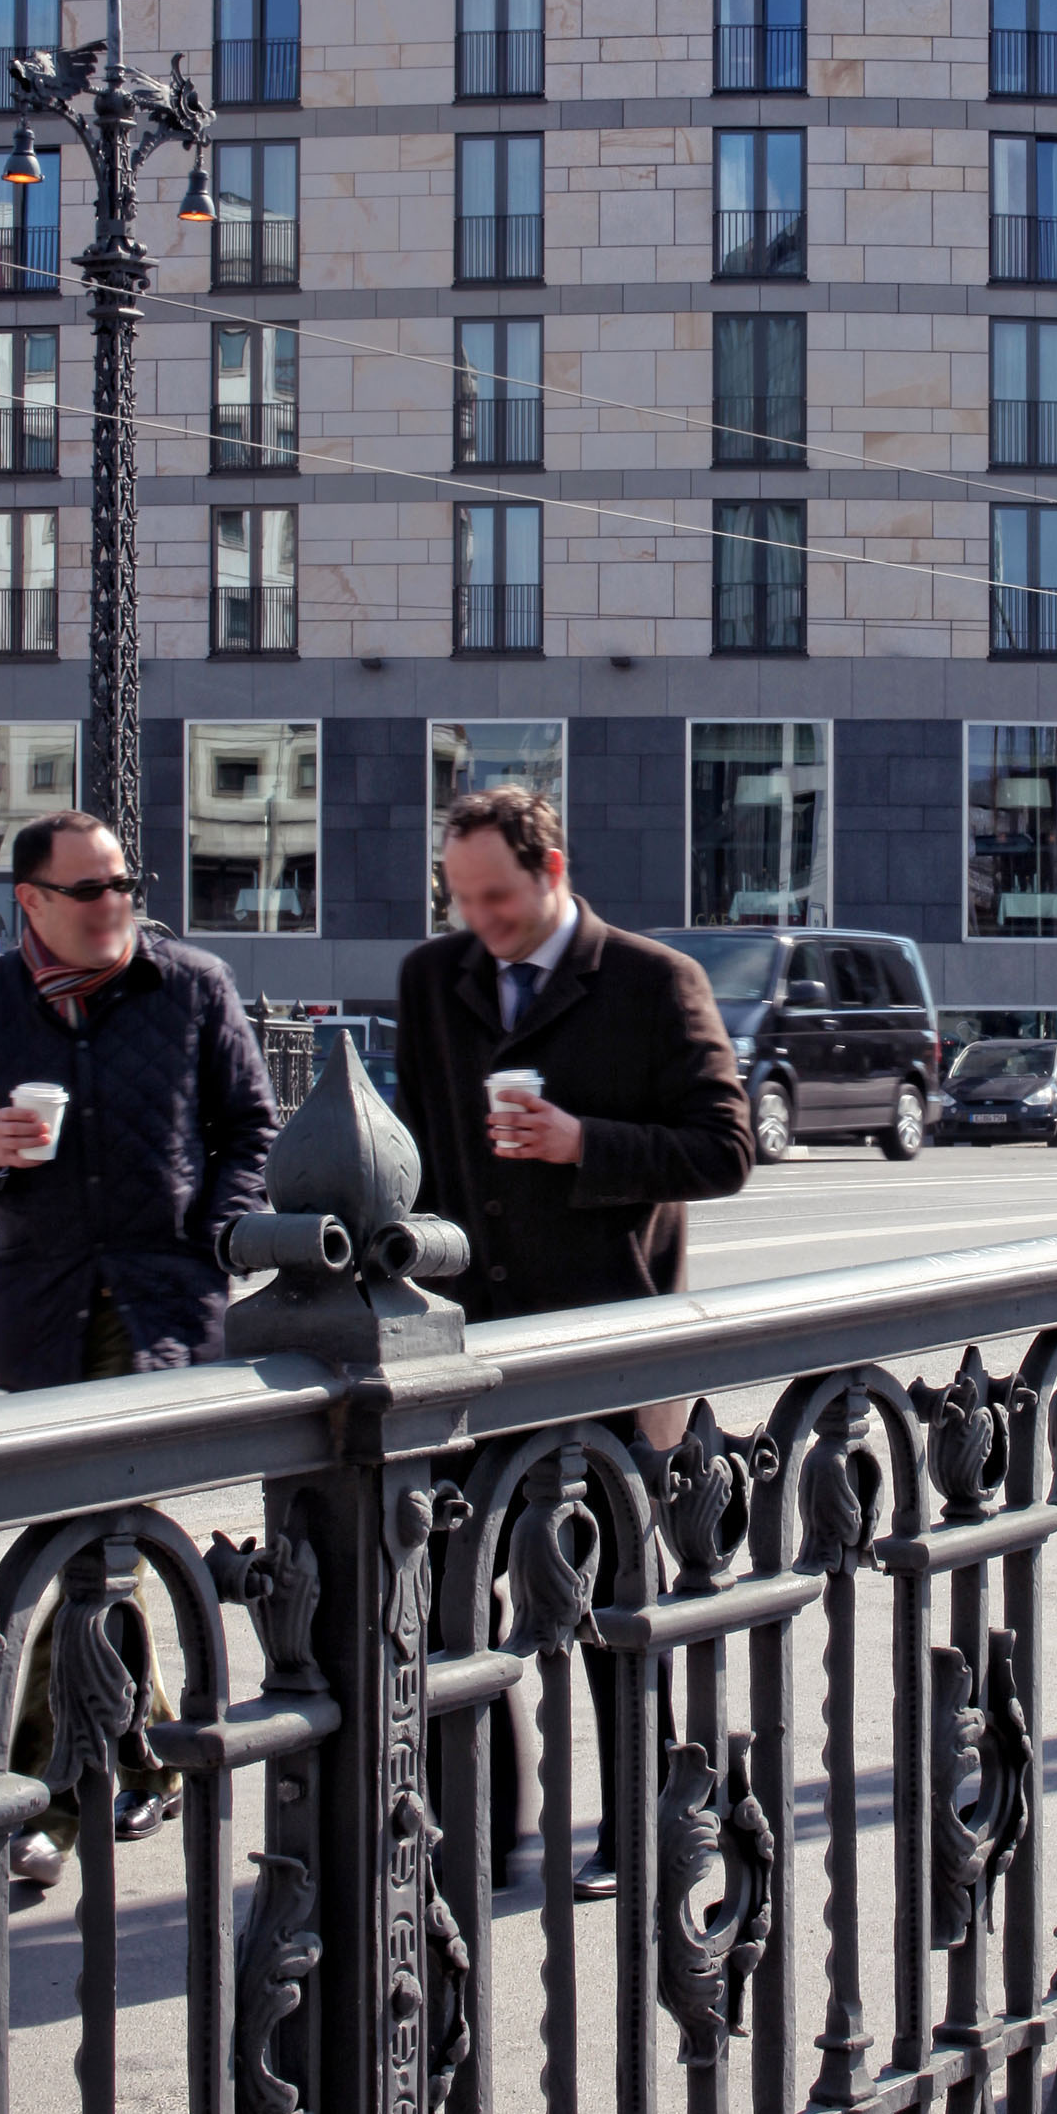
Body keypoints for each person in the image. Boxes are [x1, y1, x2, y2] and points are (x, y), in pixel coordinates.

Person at [395, 785, 753, 1888]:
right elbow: (415, 1146)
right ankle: (477, 1828)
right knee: (453, 1591)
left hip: (608, 1345)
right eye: (462, 899)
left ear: (552, 871)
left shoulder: (653, 979)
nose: (481, 921)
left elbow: (724, 1148)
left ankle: (640, 1821)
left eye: (497, 898)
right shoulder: (433, 978)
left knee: (608, 1598)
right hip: (473, 1346)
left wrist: (581, 1143)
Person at [0, 810, 278, 1891]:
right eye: (88, 889)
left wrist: (219, 1231)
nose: (115, 903)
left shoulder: (192, 987)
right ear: (30, 901)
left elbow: (251, 1128)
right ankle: (149, 1750)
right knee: (101, 1542)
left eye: (125, 882)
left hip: (158, 1301)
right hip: (43, 1303)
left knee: (82, 1539)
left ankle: (40, 1796)